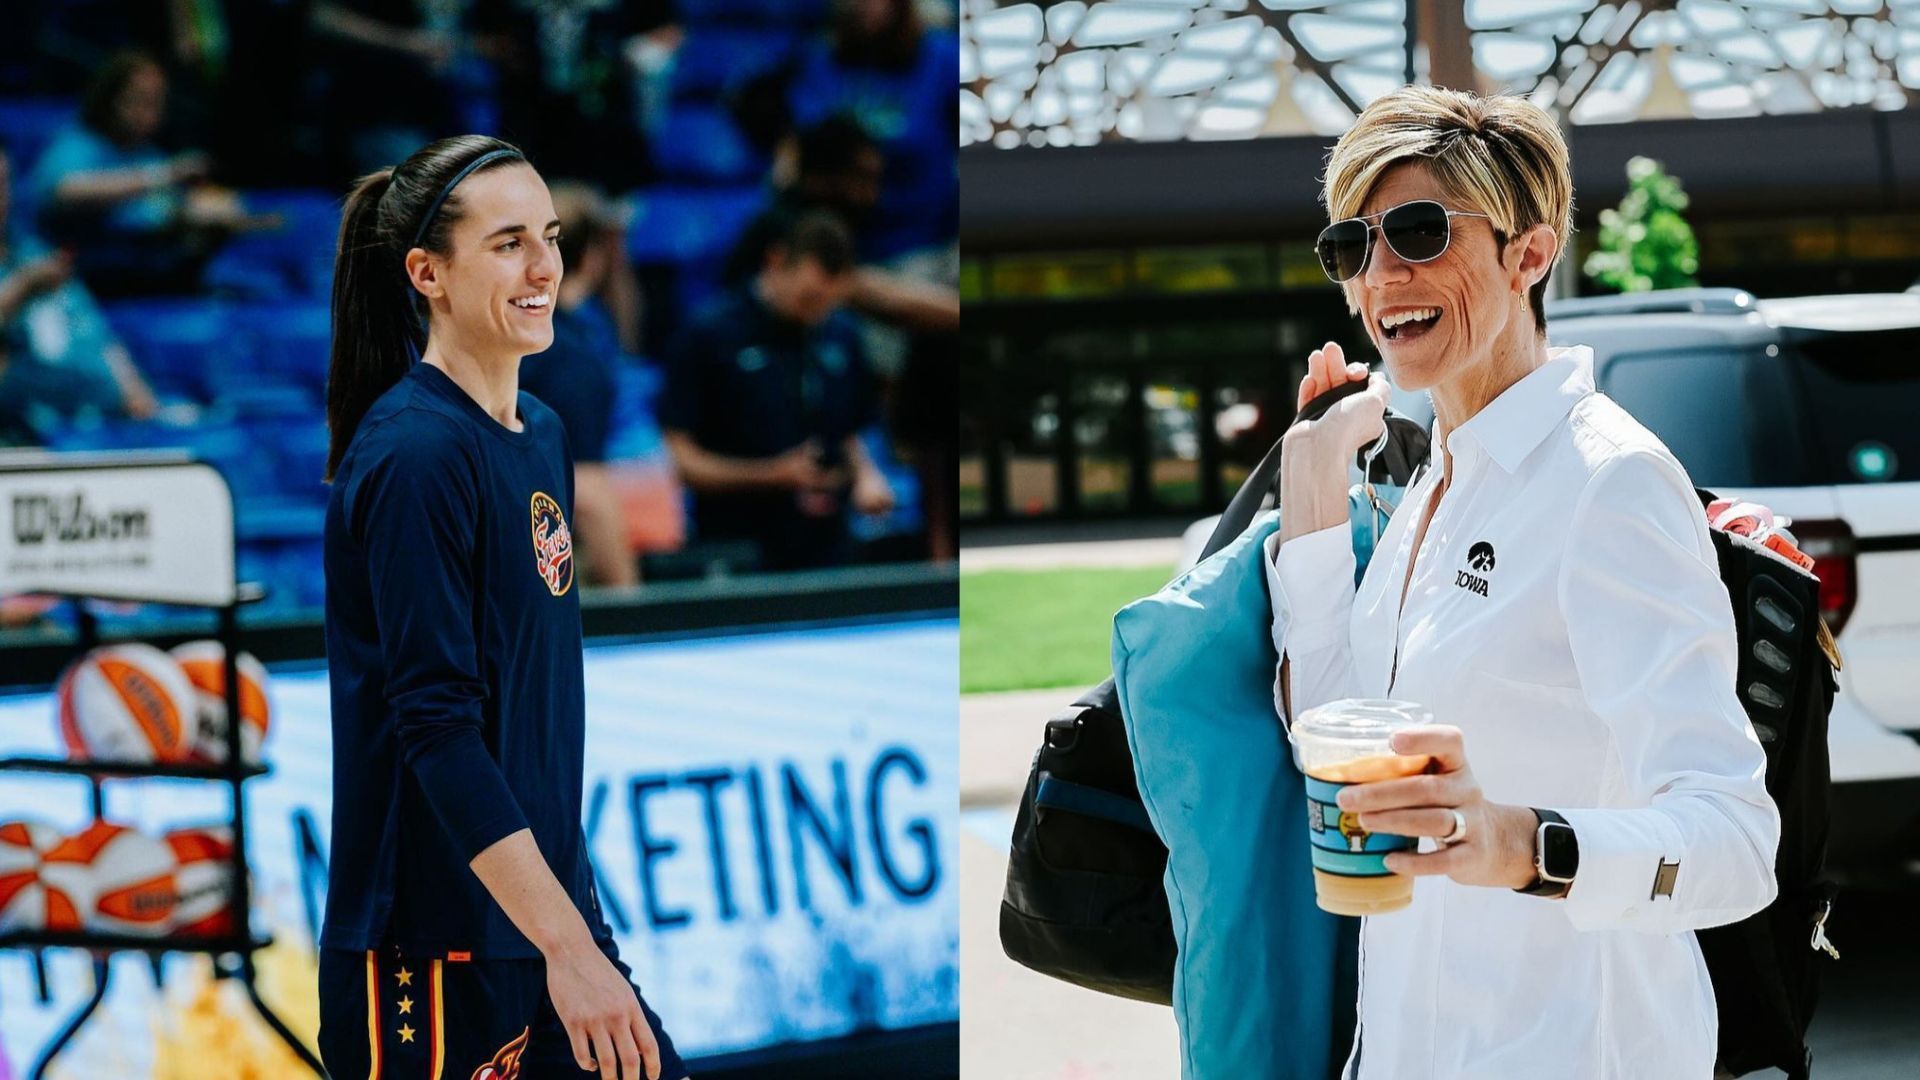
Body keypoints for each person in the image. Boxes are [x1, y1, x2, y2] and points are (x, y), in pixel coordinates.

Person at [1267, 86, 1778, 1079]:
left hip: (1574, 1051)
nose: (1380, 277)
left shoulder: (1608, 483)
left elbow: (1736, 841)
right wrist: (1313, 493)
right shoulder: (1431, 484)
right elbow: (1333, 731)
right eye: (1351, 247)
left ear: (1530, 254)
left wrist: (1523, 843)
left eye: (1417, 232)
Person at [318, 134, 686, 1080]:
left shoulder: (544, 433)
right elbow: (437, 729)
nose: (544, 268)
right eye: (509, 242)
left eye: (552, 237)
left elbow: (533, 725)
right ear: (426, 272)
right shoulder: (413, 455)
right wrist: (569, 949)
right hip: (429, 950)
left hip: (542, 920)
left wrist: (577, 927)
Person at [660, 209, 894, 572]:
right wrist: (773, 474)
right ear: (776, 261)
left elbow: (848, 431)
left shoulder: (840, 332)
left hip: (830, 546)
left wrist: (867, 475)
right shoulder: (708, 335)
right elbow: (682, 461)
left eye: (830, 303)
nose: (818, 314)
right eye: (810, 299)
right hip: (737, 547)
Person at [24, 50, 262, 296]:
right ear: (110, 98)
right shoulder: (77, 146)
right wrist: (161, 176)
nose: (147, 112)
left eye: (156, 101)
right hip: (86, 282)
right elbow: (67, 190)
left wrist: (204, 213)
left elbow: (166, 212)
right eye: (138, 100)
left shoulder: (150, 155)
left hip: (150, 277)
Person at [520, 182, 637, 588]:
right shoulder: (570, 357)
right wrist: (631, 607)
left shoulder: (511, 338)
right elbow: (588, 496)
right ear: (593, 258)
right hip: (542, 564)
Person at [0, 145, 159, 442]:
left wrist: (132, 387)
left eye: (4, 182)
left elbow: (97, 334)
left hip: (91, 415)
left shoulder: (35, 255)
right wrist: (21, 288)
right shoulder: (29, 274)